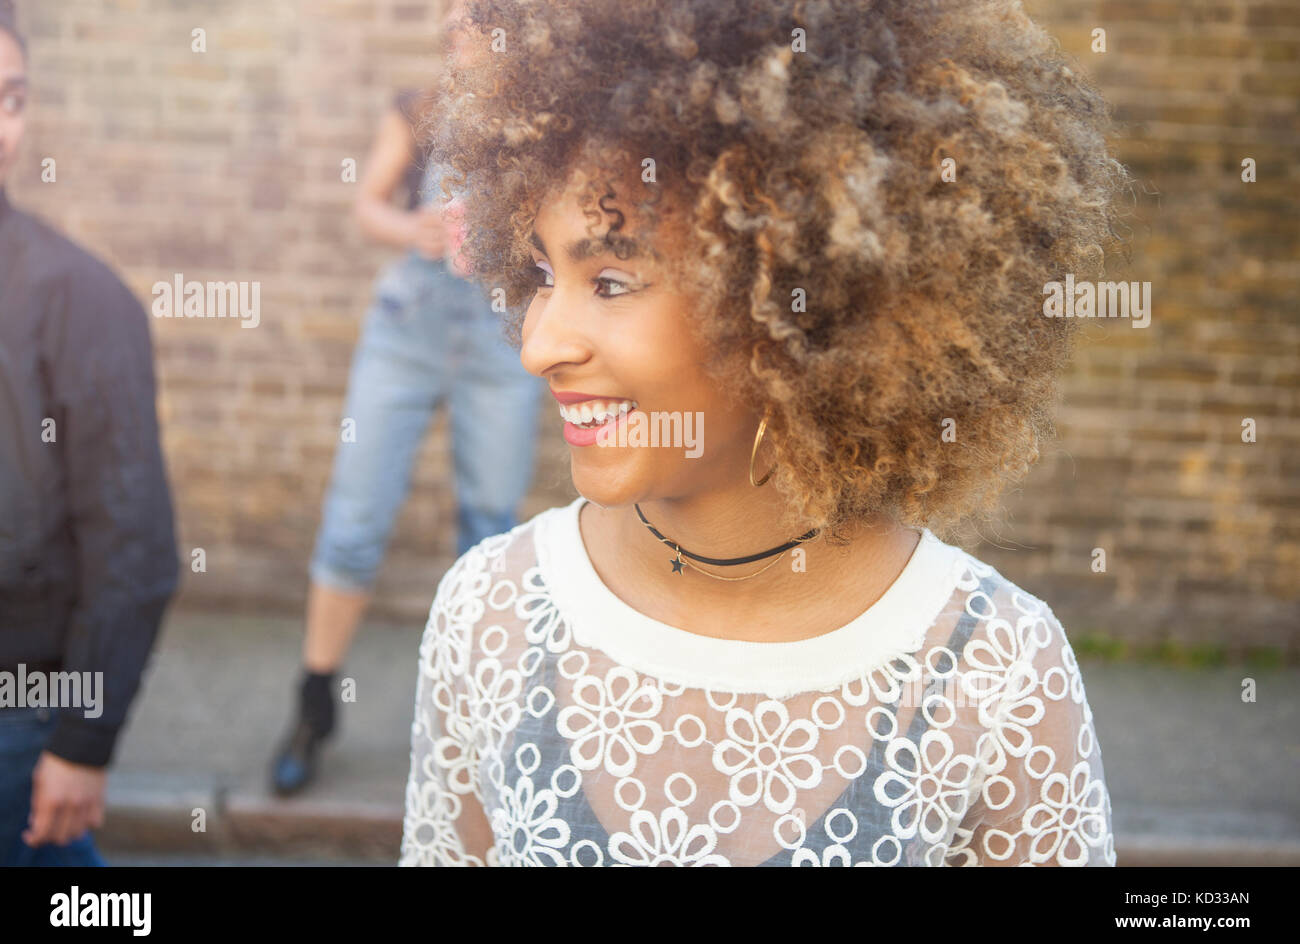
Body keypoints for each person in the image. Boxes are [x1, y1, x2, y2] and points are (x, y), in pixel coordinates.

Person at [399, 0, 1133, 867]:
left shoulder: (997, 676)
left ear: (801, 295)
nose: (538, 344)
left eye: (610, 279)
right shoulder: (490, 614)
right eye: (539, 272)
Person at [269, 6, 543, 795]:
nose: (458, 29)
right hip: (405, 333)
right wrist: (411, 226)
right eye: (452, 21)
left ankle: (468, 723)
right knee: (355, 522)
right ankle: (314, 703)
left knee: (491, 530)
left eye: (475, 20)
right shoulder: (416, 111)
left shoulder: (541, 127)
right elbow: (367, 205)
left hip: (500, 345)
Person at [0, 1, 179, 866]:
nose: (3, 127)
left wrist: (83, 739)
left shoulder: (84, 302)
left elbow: (135, 542)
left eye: (10, 99)